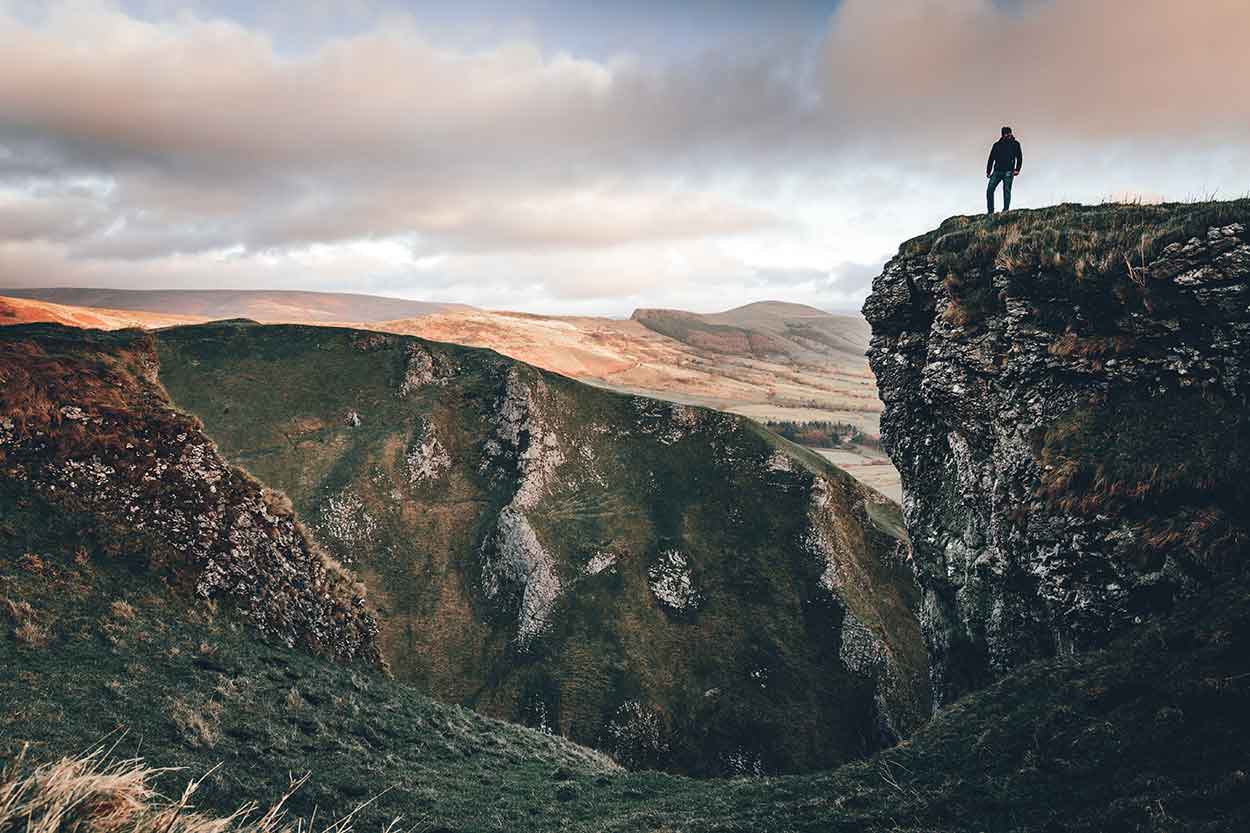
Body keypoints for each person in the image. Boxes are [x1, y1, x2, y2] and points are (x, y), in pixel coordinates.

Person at [986, 126, 1022, 215]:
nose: (1008, 135)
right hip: (997, 171)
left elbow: (1019, 157)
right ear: (1002, 135)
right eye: (1006, 134)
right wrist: (988, 171)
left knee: (1006, 190)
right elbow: (991, 158)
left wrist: (1017, 169)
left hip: (1009, 171)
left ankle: (1005, 210)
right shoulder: (997, 145)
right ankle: (990, 212)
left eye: (1009, 133)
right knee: (989, 190)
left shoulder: (1015, 144)